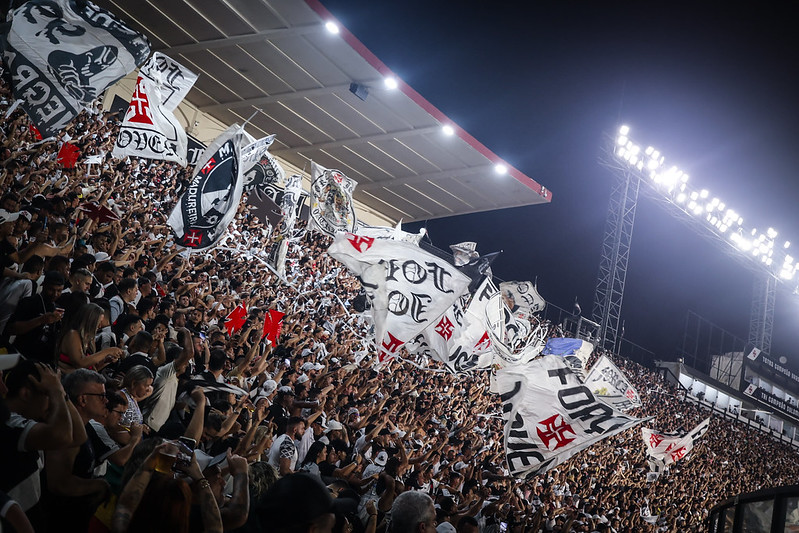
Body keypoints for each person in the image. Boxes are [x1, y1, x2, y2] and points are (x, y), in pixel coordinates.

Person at [5, 270, 65, 363]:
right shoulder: (29, 302)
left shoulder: (58, 308)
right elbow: (11, 329)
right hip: (23, 357)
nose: (55, 294)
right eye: (51, 290)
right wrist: (40, 320)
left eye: (59, 291)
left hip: (45, 360)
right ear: (43, 285)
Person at [56, 302, 124, 372]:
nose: (100, 326)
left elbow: (90, 368)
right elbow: (80, 363)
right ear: (90, 321)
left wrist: (105, 361)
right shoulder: (73, 334)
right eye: (98, 323)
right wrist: (107, 351)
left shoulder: (90, 339)